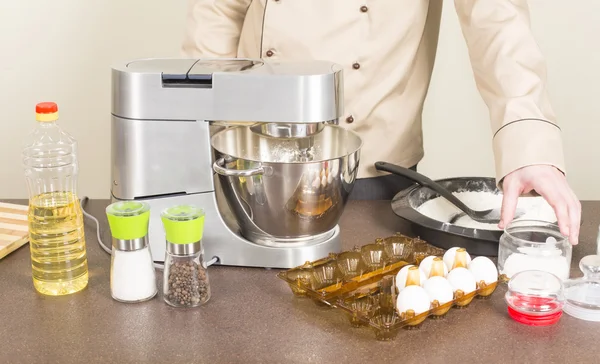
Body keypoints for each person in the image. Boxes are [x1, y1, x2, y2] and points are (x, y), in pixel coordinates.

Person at [181, 0, 581, 245]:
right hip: (253, 157)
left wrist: (529, 143)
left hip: (372, 164)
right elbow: (216, 13)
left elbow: (496, 21)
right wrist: (203, 130)